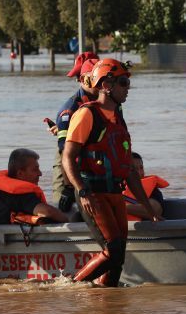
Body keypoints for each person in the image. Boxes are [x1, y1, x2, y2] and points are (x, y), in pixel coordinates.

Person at [61, 58, 161, 287]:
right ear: (106, 85)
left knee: (118, 258)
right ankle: (71, 287)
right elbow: (67, 157)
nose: (128, 89)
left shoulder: (118, 118)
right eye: (124, 83)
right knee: (113, 249)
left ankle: (107, 306)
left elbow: (128, 169)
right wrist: (82, 191)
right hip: (92, 193)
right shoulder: (86, 115)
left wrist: (148, 209)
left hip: (114, 192)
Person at [49, 52, 101, 212]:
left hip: (93, 160)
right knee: (64, 206)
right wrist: (69, 188)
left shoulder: (108, 102)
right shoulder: (70, 109)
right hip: (70, 158)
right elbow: (65, 152)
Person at [0, 148, 68, 225]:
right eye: (35, 169)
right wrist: (67, 220)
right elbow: (47, 212)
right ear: (20, 173)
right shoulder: (22, 193)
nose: (40, 173)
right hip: (11, 238)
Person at [124, 152, 167, 221]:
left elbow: (155, 210)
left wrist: (118, 207)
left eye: (141, 168)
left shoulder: (153, 190)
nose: (139, 172)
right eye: (133, 169)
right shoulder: (114, 188)